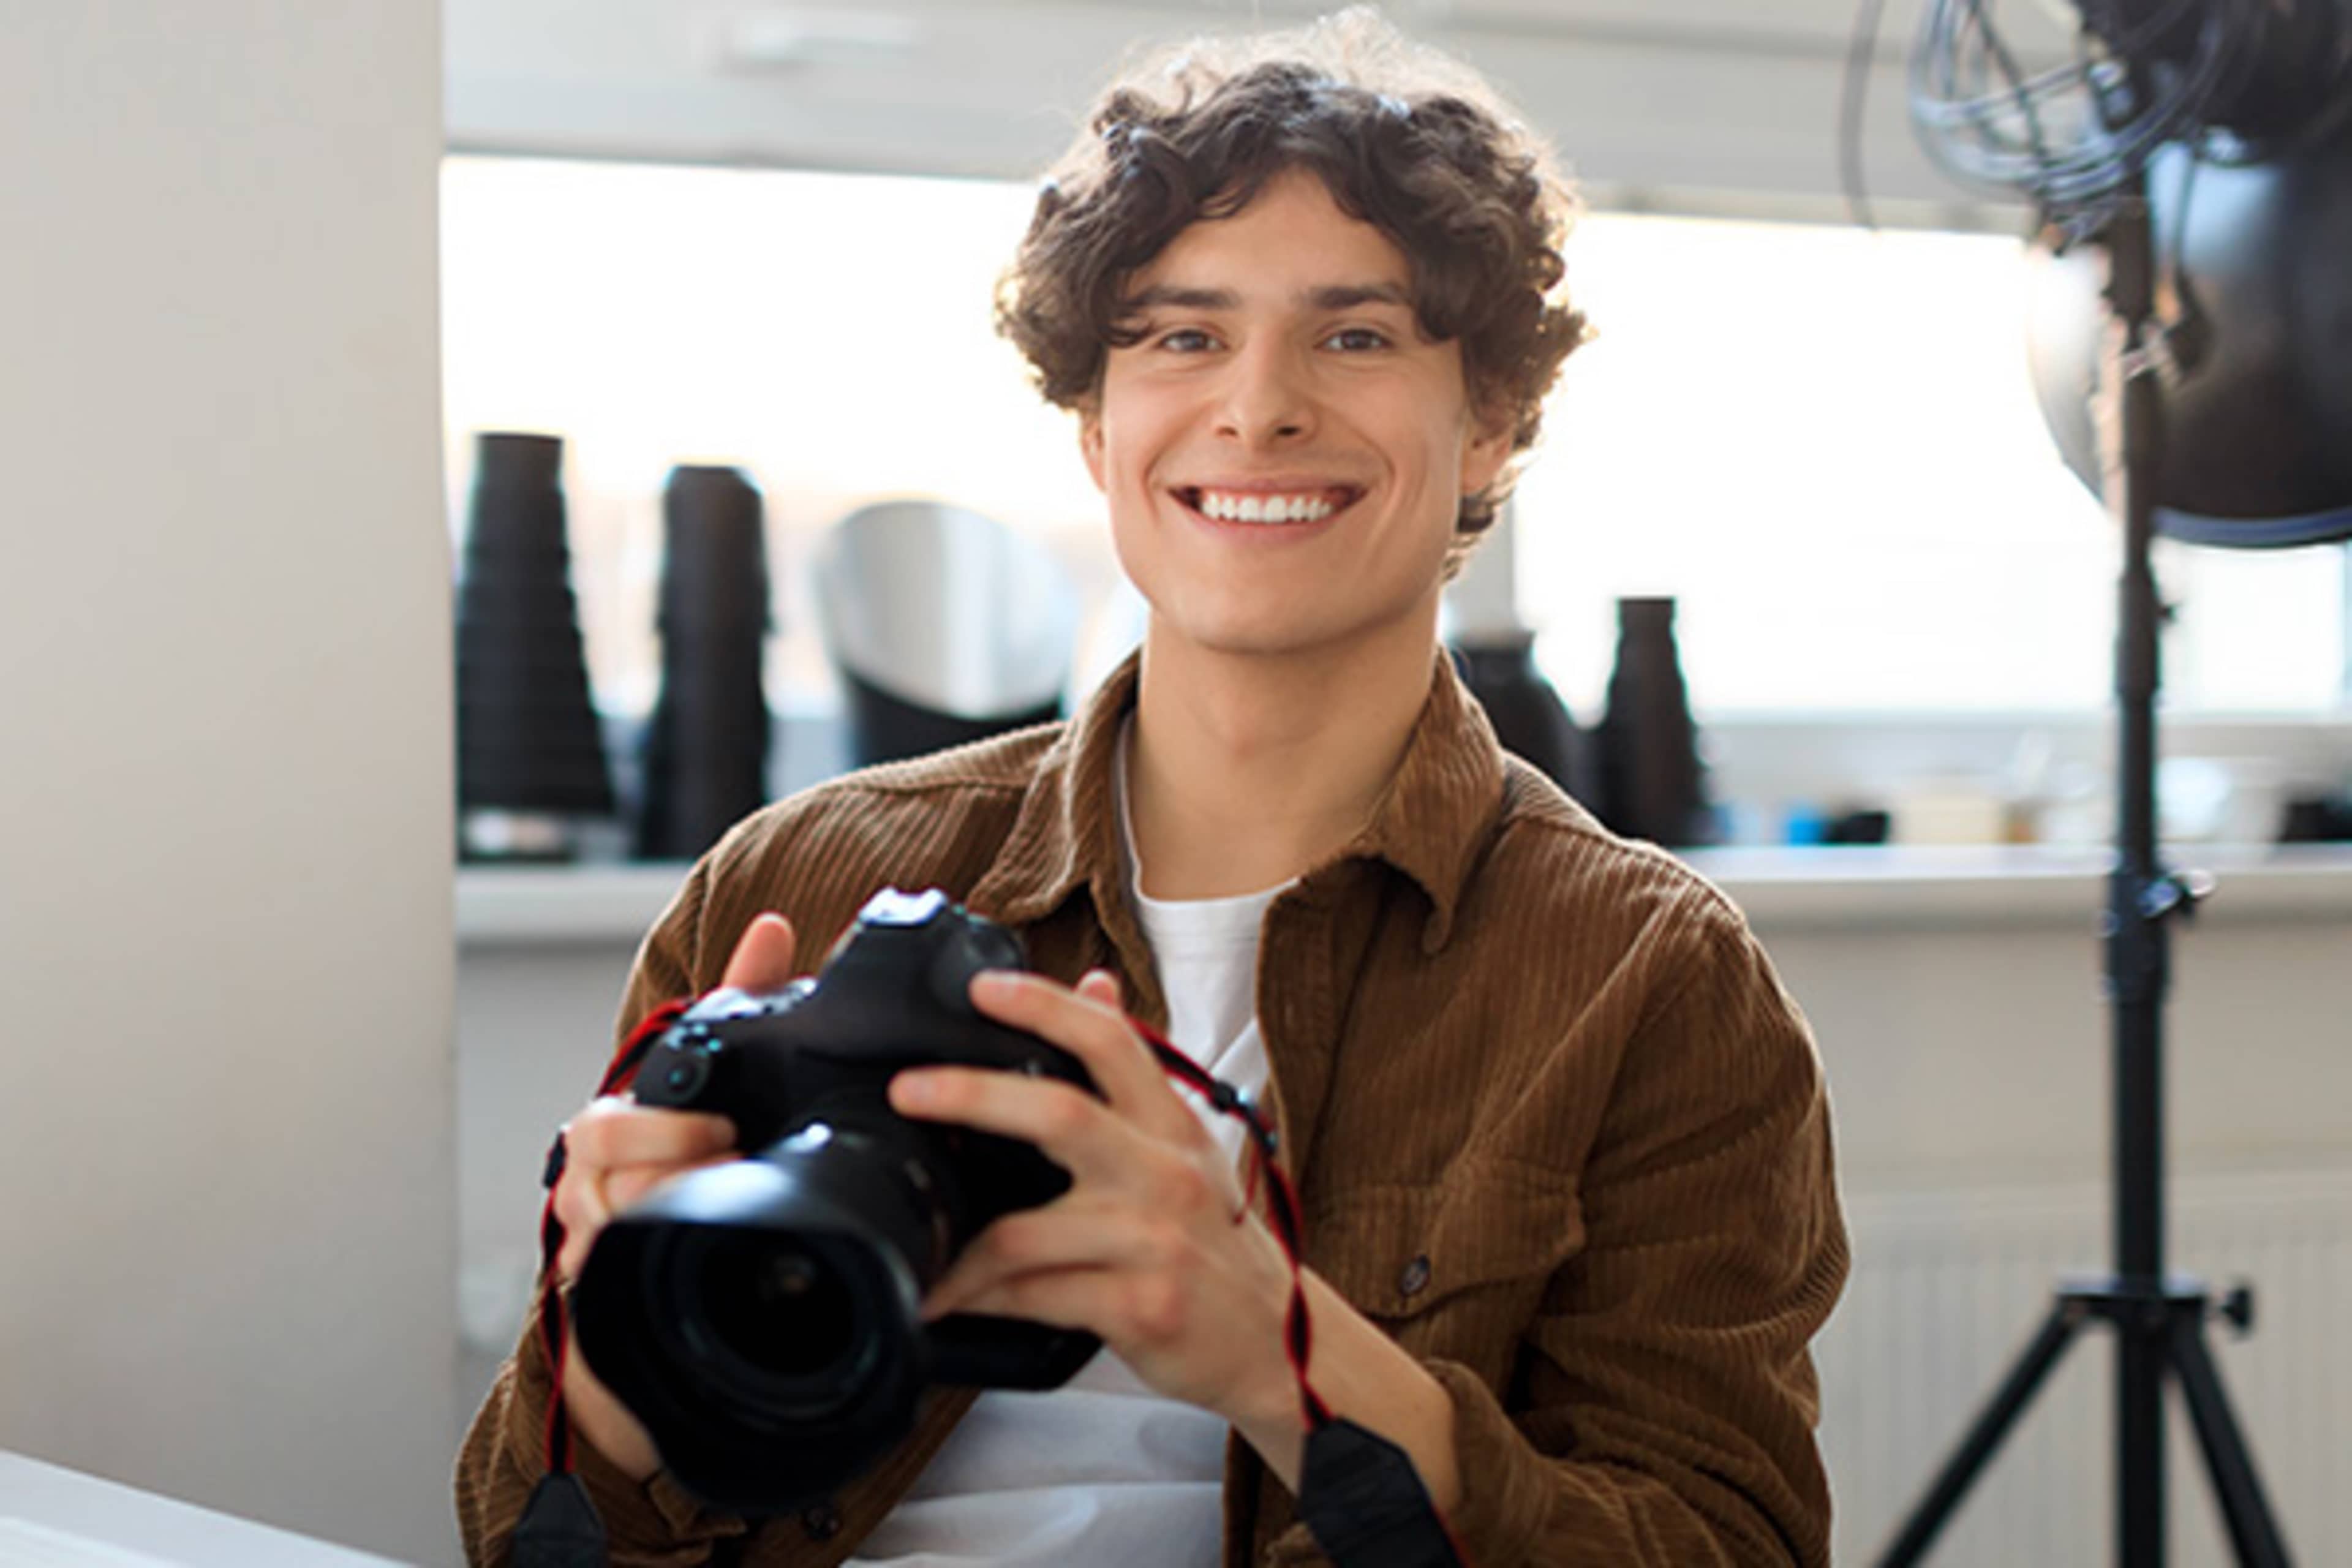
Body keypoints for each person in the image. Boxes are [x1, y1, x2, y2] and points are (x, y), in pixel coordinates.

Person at [456, 9, 1849, 1564]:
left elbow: (1724, 1540)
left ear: (1494, 425)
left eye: (1359, 333)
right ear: (1092, 422)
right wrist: (618, 1357)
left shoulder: (1652, 976)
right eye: (1185, 335)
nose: (1258, 405)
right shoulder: (797, 884)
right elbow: (531, 1537)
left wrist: (1282, 1347)